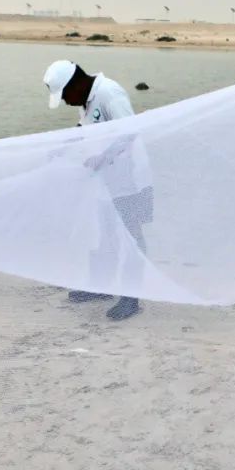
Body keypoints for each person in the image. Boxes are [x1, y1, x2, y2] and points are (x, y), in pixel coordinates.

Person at [43, 60, 152, 322]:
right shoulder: (87, 100)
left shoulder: (108, 93)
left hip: (130, 178)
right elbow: (86, 129)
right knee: (105, 232)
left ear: (76, 83)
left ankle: (130, 298)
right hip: (107, 178)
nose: (67, 102)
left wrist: (103, 157)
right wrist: (63, 144)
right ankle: (102, 287)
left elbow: (130, 131)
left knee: (131, 235)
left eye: (66, 95)